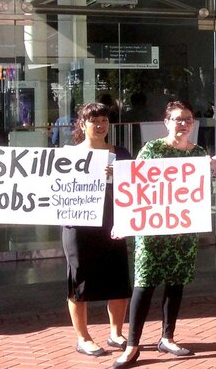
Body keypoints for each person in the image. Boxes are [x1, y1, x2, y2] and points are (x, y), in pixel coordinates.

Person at [113, 100, 207, 369]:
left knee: (176, 284)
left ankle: (167, 337)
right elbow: (134, 184)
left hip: (182, 231)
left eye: (188, 119)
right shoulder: (152, 149)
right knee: (144, 285)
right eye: (178, 119)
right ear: (166, 122)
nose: (183, 123)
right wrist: (123, 222)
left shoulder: (198, 152)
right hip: (152, 229)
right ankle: (132, 345)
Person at [63, 102, 132, 357]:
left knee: (117, 278)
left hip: (112, 224)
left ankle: (116, 333)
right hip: (78, 226)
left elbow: (137, 184)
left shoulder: (121, 153)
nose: (101, 125)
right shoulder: (69, 155)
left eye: (104, 120)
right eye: (95, 121)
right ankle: (83, 338)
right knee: (79, 280)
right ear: (83, 124)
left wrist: (119, 174)